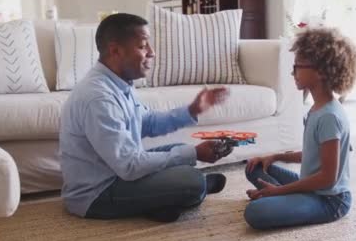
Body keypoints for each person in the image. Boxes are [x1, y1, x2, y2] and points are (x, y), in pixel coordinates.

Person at [60, 13, 231, 223]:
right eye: (143, 46)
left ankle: (163, 201)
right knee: (192, 181)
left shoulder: (118, 83)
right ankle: (185, 192)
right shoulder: (98, 98)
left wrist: (193, 110)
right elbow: (130, 166)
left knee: (178, 149)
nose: (152, 52)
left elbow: (148, 122)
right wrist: (195, 153)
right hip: (98, 193)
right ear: (115, 50)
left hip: (118, 172)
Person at [243, 27, 356, 230]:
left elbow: (327, 178)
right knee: (255, 168)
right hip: (312, 187)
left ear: (321, 71)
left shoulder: (329, 116)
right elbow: (314, 155)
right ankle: (284, 196)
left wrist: (278, 192)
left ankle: (278, 197)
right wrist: (275, 157)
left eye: (297, 66)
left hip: (330, 201)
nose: (292, 72)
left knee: (255, 212)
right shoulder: (317, 108)